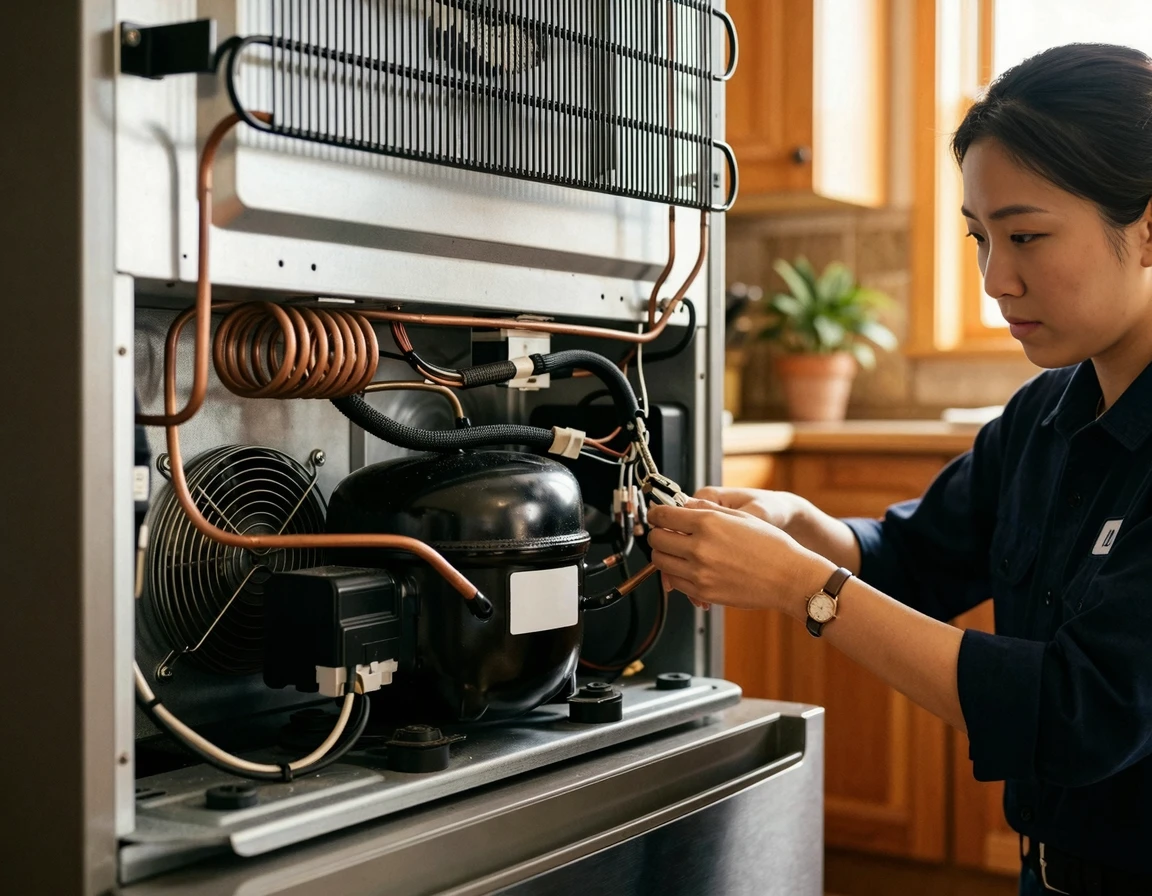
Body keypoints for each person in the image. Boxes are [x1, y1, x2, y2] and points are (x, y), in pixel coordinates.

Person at [648, 43, 1152, 896]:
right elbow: (914, 559)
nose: (996, 279)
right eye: (980, 238)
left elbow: (1079, 715)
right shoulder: (1042, 416)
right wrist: (808, 531)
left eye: (1026, 235)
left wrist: (805, 588)